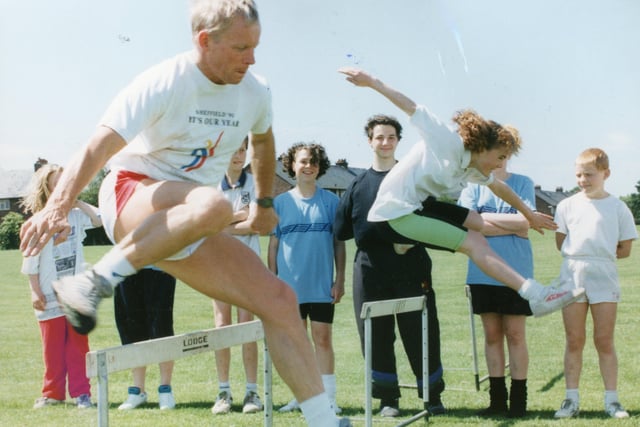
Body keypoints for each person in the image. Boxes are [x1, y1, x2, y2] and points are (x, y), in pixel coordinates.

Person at [19, 2, 351, 425]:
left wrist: (266, 203)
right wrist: (57, 206)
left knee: (280, 300)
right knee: (213, 204)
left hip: (186, 219)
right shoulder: (163, 82)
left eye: (256, 46)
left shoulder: (254, 90)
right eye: (240, 47)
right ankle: (93, 281)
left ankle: (323, 419)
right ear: (204, 41)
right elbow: (96, 147)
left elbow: (264, 143)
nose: (252, 58)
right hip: (130, 194)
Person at [337, 67, 583, 317]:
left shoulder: (473, 167)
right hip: (395, 213)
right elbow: (411, 107)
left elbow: (500, 188)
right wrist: (372, 82)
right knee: (475, 242)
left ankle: (405, 244)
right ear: (483, 148)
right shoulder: (447, 141)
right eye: (499, 157)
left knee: (476, 222)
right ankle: (536, 295)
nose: (500, 165)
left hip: (419, 205)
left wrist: (529, 215)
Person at [334, 115, 446, 417]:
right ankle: (387, 399)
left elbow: (434, 218)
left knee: (421, 331)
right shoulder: (357, 185)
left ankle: (432, 396)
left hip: (411, 267)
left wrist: (410, 240)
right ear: (369, 141)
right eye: (379, 137)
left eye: (391, 137)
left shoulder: (412, 178)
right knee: (375, 334)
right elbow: (342, 229)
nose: (385, 142)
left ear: (398, 141)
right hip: (370, 270)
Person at [552, 148, 637, 419]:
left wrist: (601, 254)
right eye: (578, 174)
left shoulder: (617, 207)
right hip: (573, 274)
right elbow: (560, 243)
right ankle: (570, 400)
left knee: (604, 340)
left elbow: (624, 249)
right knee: (574, 340)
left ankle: (612, 401)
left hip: (604, 274)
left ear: (605, 174)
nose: (582, 179)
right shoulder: (566, 206)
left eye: (588, 174)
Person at [458, 131, 533, 418]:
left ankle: (519, 401)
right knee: (491, 335)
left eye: (505, 152)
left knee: (515, 334)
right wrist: (512, 224)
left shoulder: (523, 184)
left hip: (517, 272)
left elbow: (526, 222)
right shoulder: (472, 186)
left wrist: (484, 220)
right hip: (481, 272)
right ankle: (497, 400)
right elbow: (467, 224)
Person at [267, 142, 346, 414]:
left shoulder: (332, 202)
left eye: (313, 161)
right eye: (302, 161)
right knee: (296, 343)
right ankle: (302, 397)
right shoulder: (280, 203)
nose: (308, 166)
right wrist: (273, 282)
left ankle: (329, 398)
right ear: (291, 165)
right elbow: (274, 246)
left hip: (321, 285)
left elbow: (339, 244)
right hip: (290, 289)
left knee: (322, 339)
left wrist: (340, 280)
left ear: (320, 166)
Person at [20, 164, 101, 409]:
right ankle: (52, 394)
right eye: (57, 185)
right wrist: (35, 291)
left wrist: (76, 202)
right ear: (47, 189)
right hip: (48, 295)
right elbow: (30, 261)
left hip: (75, 294)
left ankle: (82, 394)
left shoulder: (76, 216)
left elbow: (99, 220)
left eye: (65, 183)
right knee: (52, 349)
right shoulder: (37, 222)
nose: (61, 189)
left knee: (79, 347)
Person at [211, 137, 263, 415]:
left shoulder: (254, 183)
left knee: (246, 328)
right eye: (232, 150)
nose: (237, 155)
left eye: (242, 150)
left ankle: (251, 392)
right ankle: (223, 392)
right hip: (218, 266)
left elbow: (255, 221)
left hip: (247, 265)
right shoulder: (210, 184)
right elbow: (206, 224)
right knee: (222, 326)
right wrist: (237, 217)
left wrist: (224, 224)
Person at [114, 267, 177, 410]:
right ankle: (138, 391)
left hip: (160, 263)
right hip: (127, 265)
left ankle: (165, 390)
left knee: (162, 326)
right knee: (132, 329)